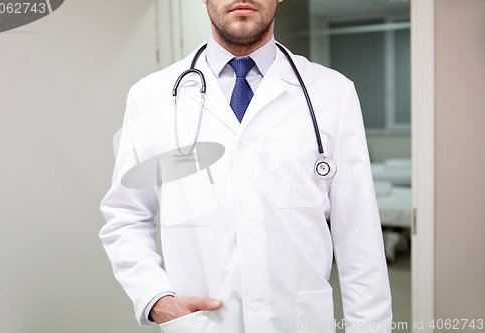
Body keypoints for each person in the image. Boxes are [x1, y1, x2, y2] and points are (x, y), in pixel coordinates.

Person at [99, 0, 393, 332]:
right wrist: (156, 300)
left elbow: (359, 236)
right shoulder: (152, 97)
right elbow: (125, 216)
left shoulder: (332, 93)